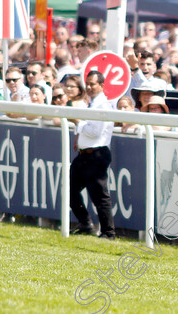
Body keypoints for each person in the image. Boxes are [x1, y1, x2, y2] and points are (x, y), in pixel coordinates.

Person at [70, 70, 116, 239]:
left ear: (102, 86)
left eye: (92, 84)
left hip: (97, 154)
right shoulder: (93, 103)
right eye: (87, 84)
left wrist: (78, 123)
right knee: (70, 190)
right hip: (84, 155)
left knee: (100, 197)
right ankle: (85, 223)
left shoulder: (103, 105)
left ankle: (108, 232)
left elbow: (95, 132)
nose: (88, 87)